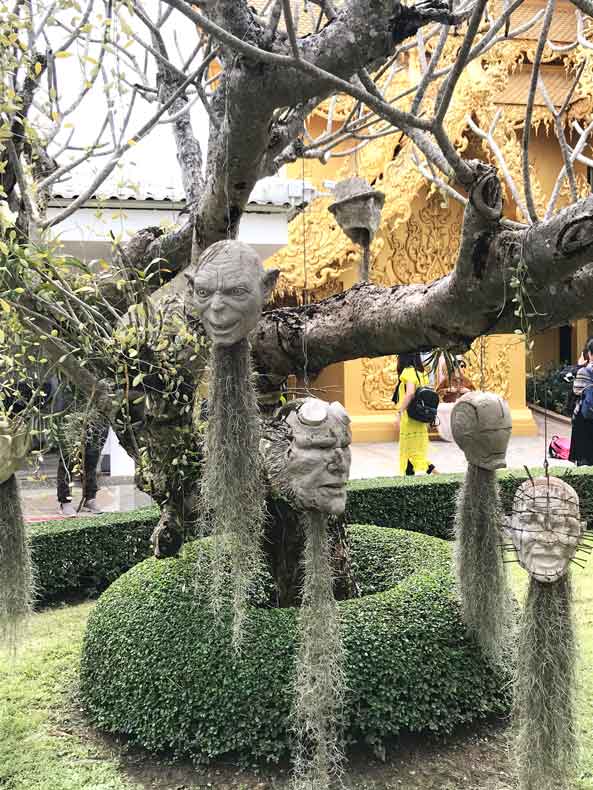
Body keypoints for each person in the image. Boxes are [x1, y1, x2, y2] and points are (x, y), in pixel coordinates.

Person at [393, 353, 436, 476]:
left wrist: (400, 411)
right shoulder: (421, 373)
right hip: (420, 418)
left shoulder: (408, 372)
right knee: (418, 453)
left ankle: (409, 480)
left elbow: (410, 393)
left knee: (408, 452)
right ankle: (438, 475)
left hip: (409, 419)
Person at [569, 338, 593, 466]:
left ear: (589, 353)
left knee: (585, 461)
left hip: (586, 419)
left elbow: (576, 390)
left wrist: (579, 366)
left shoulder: (584, 371)